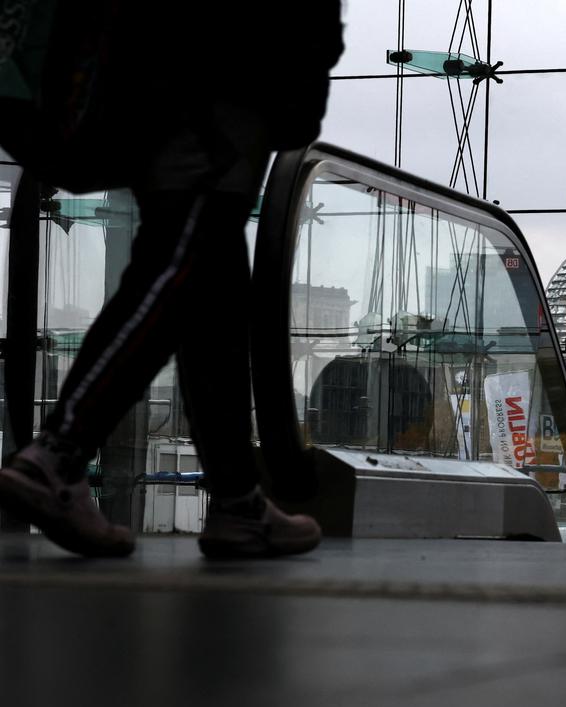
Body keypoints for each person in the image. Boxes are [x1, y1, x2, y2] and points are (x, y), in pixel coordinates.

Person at [0, 2, 346, 558]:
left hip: (169, 54)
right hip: (220, 56)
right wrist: (300, 73)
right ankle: (58, 455)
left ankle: (238, 501)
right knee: (187, 250)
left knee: (214, 280)